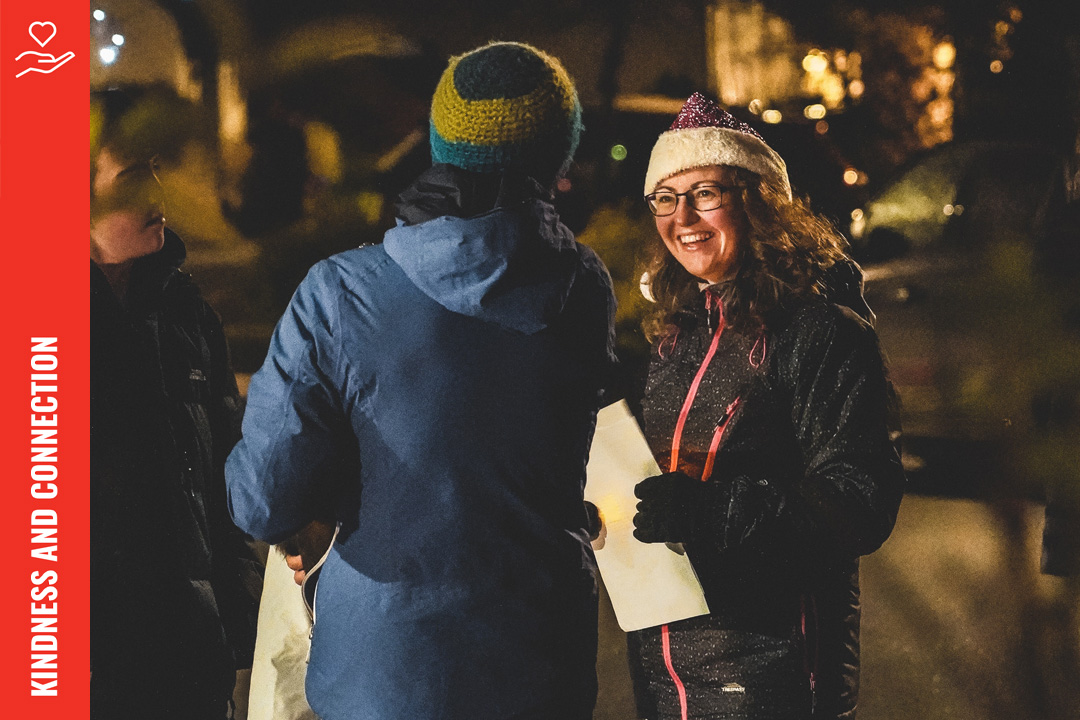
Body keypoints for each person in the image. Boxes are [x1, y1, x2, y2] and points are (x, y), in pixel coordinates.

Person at [226, 42, 616, 720]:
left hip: (386, 671)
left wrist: (326, 499)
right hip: (539, 664)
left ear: (440, 145)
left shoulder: (338, 293)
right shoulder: (583, 288)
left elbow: (261, 499)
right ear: (557, 156)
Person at [627, 93, 905, 720]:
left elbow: (859, 500)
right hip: (665, 663)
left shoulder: (819, 331)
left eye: (706, 193)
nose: (683, 217)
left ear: (755, 200)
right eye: (666, 198)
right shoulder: (675, 331)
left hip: (774, 667)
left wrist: (711, 512)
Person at [90, 88, 263, 720]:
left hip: (188, 654)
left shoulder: (185, 312)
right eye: (133, 179)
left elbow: (224, 466)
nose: (158, 194)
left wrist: (234, 611)